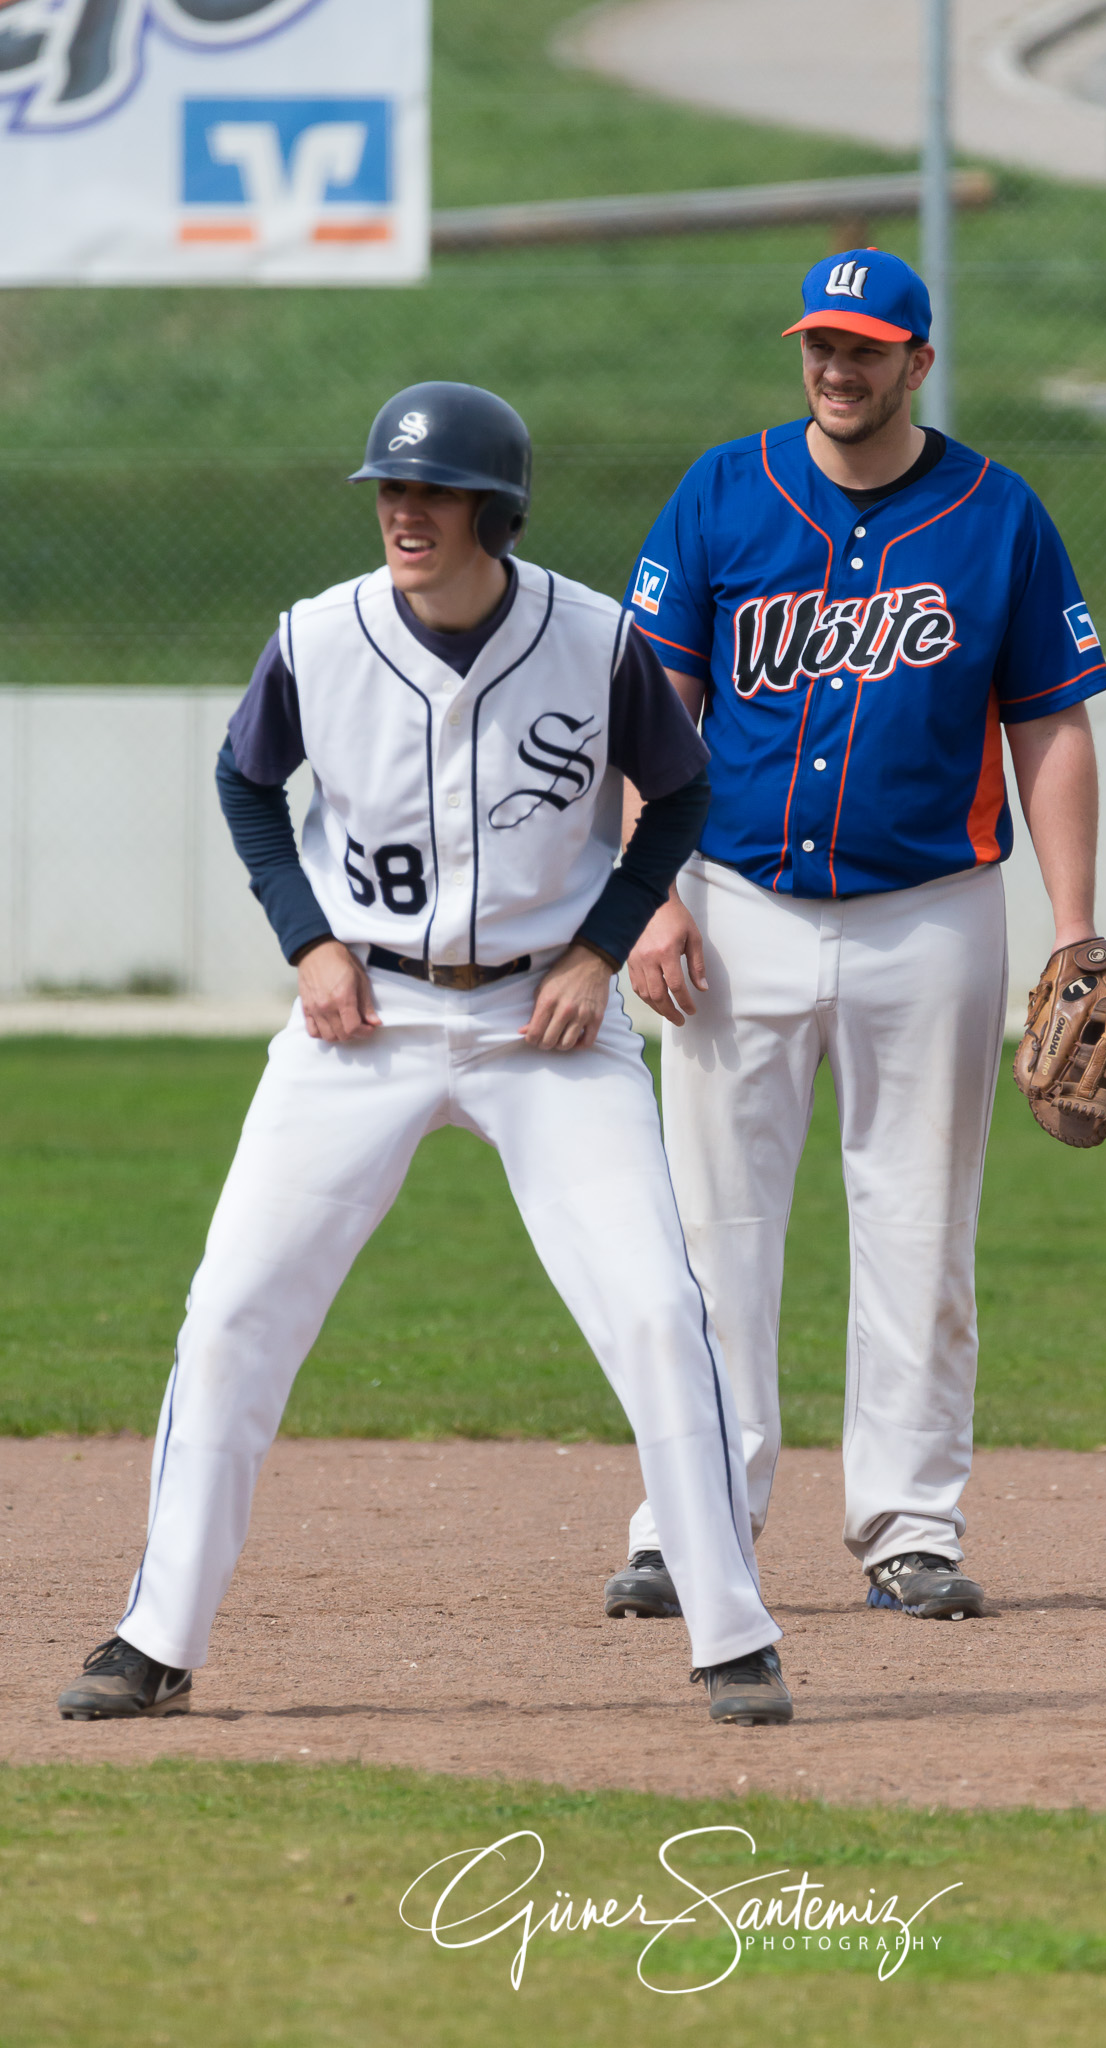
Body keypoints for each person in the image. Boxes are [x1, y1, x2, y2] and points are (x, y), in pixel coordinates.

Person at [57, 381, 791, 1728]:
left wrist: (597, 949)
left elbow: (681, 791)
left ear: (494, 511)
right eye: (391, 490)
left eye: (434, 491)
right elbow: (244, 781)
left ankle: (731, 1631)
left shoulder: (595, 639)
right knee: (230, 1313)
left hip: (544, 1031)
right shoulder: (318, 637)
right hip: (364, 1023)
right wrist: (306, 939)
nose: (405, 510)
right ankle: (154, 1638)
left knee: (650, 1305)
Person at [604, 251, 1106, 1625]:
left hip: (928, 910)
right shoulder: (723, 491)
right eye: (820, 344)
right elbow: (651, 705)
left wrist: (1072, 930)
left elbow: (1049, 722)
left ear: (916, 364)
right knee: (710, 1233)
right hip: (732, 903)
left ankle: (911, 1527)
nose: (837, 367)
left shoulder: (994, 515)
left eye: (867, 348)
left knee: (917, 1228)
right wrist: (644, 895)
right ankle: (690, 1519)